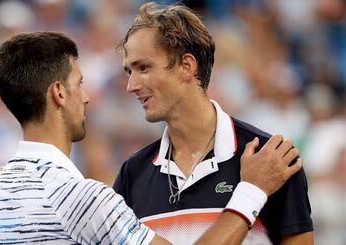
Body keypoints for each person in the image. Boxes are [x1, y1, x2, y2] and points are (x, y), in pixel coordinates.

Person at [0, 32, 302, 245]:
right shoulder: (83, 197)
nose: (87, 96)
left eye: (142, 68)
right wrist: (252, 192)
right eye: (79, 83)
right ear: (59, 93)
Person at [114, 2, 313, 245]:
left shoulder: (272, 158)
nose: (131, 85)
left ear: (186, 67)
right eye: (128, 72)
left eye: (143, 68)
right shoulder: (132, 174)